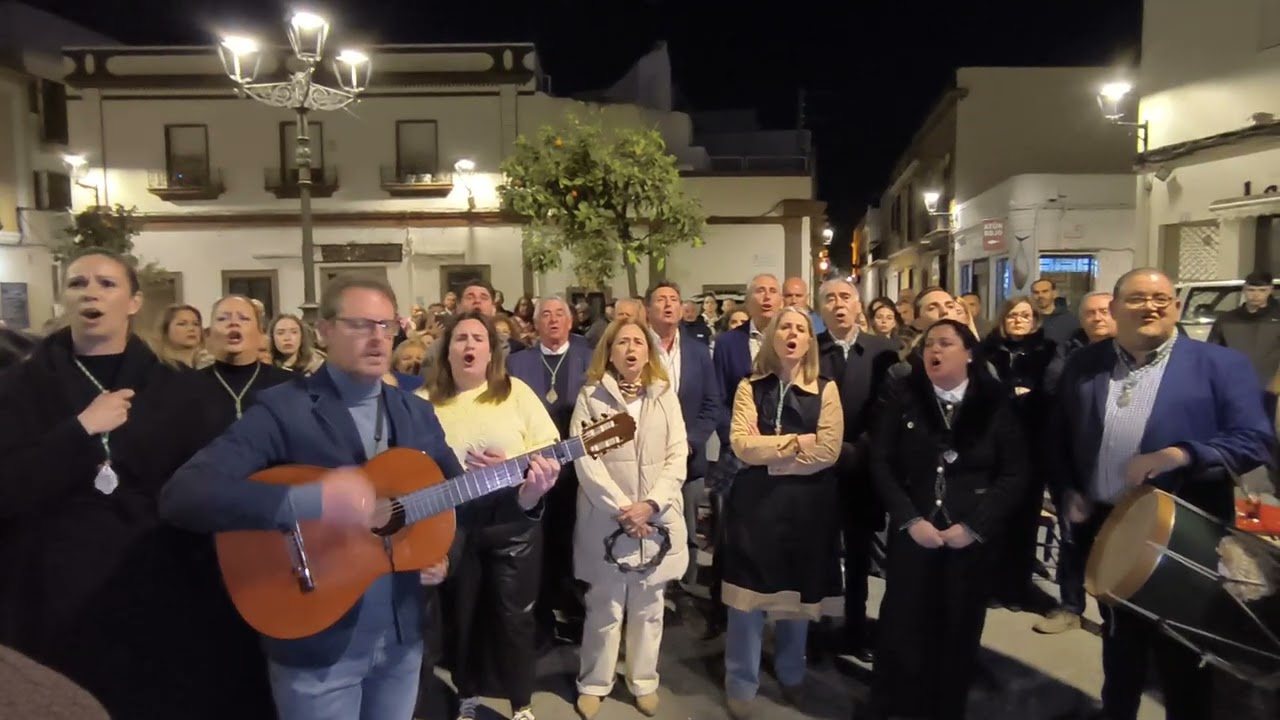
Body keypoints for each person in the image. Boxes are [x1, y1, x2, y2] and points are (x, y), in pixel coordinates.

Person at [159, 275, 561, 720]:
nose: (377, 338)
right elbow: (185, 495)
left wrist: (525, 497)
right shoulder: (283, 410)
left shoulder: (416, 413)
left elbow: (456, 500)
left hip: (403, 638)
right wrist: (311, 501)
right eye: (360, 325)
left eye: (386, 326)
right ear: (324, 331)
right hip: (316, 637)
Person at [0, 249, 275, 720]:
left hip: (159, 585)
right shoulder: (19, 387)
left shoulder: (178, 389)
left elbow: (207, 486)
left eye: (106, 284)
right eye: (78, 283)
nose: (90, 292)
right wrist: (79, 432)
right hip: (56, 591)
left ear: (133, 302)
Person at [1049, 268, 1275, 720]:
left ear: (1175, 307)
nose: (1151, 306)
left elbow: (1256, 440)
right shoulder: (1085, 364)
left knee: (1182, 661)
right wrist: (1069, 491)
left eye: (1162, 298)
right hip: (1109, 527)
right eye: (1137, 298)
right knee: (1120, 649)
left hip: (1184, 534)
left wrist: (1183, 454)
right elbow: (1058, 438)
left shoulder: (1219, 365)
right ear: (1113, 310)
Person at [868, 318, 1026, 719]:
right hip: (914, 533)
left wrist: (975, 527)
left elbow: (1014, 473)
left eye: (945, 343)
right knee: (902, 629)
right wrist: (908, 519)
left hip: (968, 539)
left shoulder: (994, 401)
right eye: (928, 345)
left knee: (958, 632)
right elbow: (881, 462)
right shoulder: (904, 396)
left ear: (969, 353)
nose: (934, 351)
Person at [417, 311, 560, 720]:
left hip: (512, 518)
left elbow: (549, 449)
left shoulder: (516, 393)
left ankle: (521, 703)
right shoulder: (423, 401)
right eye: (461, 338)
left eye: (478, 338)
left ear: (491, 350)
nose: (469, 345)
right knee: (462, 616)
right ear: (447, 351)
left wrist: (517, 467)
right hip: (451, 522)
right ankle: (467, 693)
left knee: (515, 618)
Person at [721, 306, 844, 719]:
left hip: (808, 506)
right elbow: (741, 444)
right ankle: (741, 682)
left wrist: (770, 450)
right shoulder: (749, 387)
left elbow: (828, 451)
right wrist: (797, 443)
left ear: (810, 341)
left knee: (797, 596)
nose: (792, 333)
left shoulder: (826, 389)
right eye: (785, 327)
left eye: (801, 328)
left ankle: (792, 674)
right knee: (746, 599)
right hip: (755, 505)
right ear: (773, 337)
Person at [570, 319, 689, 719]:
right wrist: (623, 508)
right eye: (622, 342)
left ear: (649, 352)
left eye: (638, 341)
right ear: (610, 351)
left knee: (649, 606)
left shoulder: (664, 395)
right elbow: (585, 460)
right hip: (607, 517)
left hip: (656, 519)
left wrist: (650, 505)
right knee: (604, 606)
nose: (631, 348)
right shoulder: (590, 396)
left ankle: (643, 680)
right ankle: (595, 683)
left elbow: (678, 455)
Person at [814, 278, 899, 663]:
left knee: (861, 557)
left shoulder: (883, 351)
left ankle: (855, 628)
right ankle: (820, 630)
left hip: (864, 470)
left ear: (857, 304)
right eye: (829, 299)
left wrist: (856, 452)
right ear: (821, 308)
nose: (838, 304)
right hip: (819, 473)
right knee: (821, 556)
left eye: (845, 297)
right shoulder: (811, 351)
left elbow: (888, 412)